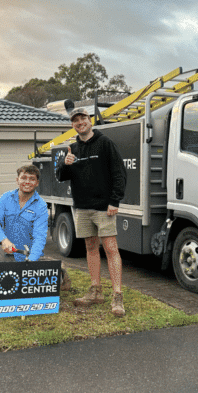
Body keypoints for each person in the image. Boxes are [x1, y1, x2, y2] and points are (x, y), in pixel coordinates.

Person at [56, 108, 127, 317]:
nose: (80, 123)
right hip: (83, 207)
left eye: (83, 119)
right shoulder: (73, 148)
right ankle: (95, 290)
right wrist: (64, 164)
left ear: (90, 121)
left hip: (104, 207)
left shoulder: (105, 143)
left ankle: (117, 295)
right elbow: (61, 176)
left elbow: (119, 173)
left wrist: (115, 201)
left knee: (111, 248)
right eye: (76, 120)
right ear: (73, 125)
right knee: (90, 247)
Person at [0, 165, 49, 282]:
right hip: (8, 252)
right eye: (24, 178)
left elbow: (40, 236)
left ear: (37, 183)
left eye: (32, 179)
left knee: (54, 279)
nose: (27, 182)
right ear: (17, 180)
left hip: (29, 255)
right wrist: (3, 240)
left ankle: (20, 280)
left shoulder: (41, 206)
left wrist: (31, 261)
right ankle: (5, 283)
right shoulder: (6, 198)